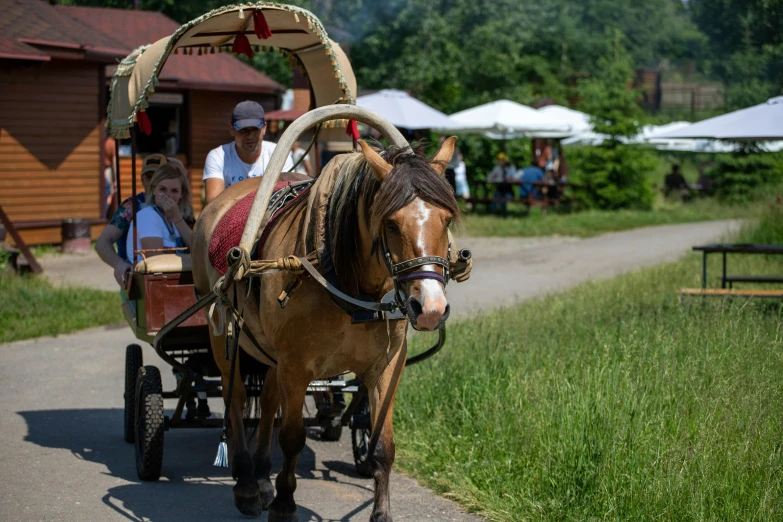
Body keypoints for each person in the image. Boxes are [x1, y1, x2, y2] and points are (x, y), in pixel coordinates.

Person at [96, 153, 170, 287]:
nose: (154, 182)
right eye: (149, 177)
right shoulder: (131, 207)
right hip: (137, 281)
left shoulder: (177, 205)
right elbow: (102, 243)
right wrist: (119, 264)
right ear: (142, 180)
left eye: (159, 177)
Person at [203, 100, 294, 205]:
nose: (250, 136)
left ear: (264, 128)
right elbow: (213, 204)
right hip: (231, 220)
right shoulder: (218, 156)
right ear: (231, 129)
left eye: (255, 129)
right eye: (243, 130)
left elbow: (288, 198)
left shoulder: (279, 154)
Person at [126, 162, 194, 264]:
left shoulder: (173, 220)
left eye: (174, 191)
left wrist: (177, 219)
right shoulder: (148, 215)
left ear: (181, 194)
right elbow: (156, 261)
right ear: (154, 190)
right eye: (163, 189)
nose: (168, 195)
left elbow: (197, 247)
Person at [104, 137, 117, 217]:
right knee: (107, 197)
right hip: (107, 172)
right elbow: (115, 164)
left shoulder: (102, 141)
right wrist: (115, 181)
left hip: (101, 172)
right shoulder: (111, 143)